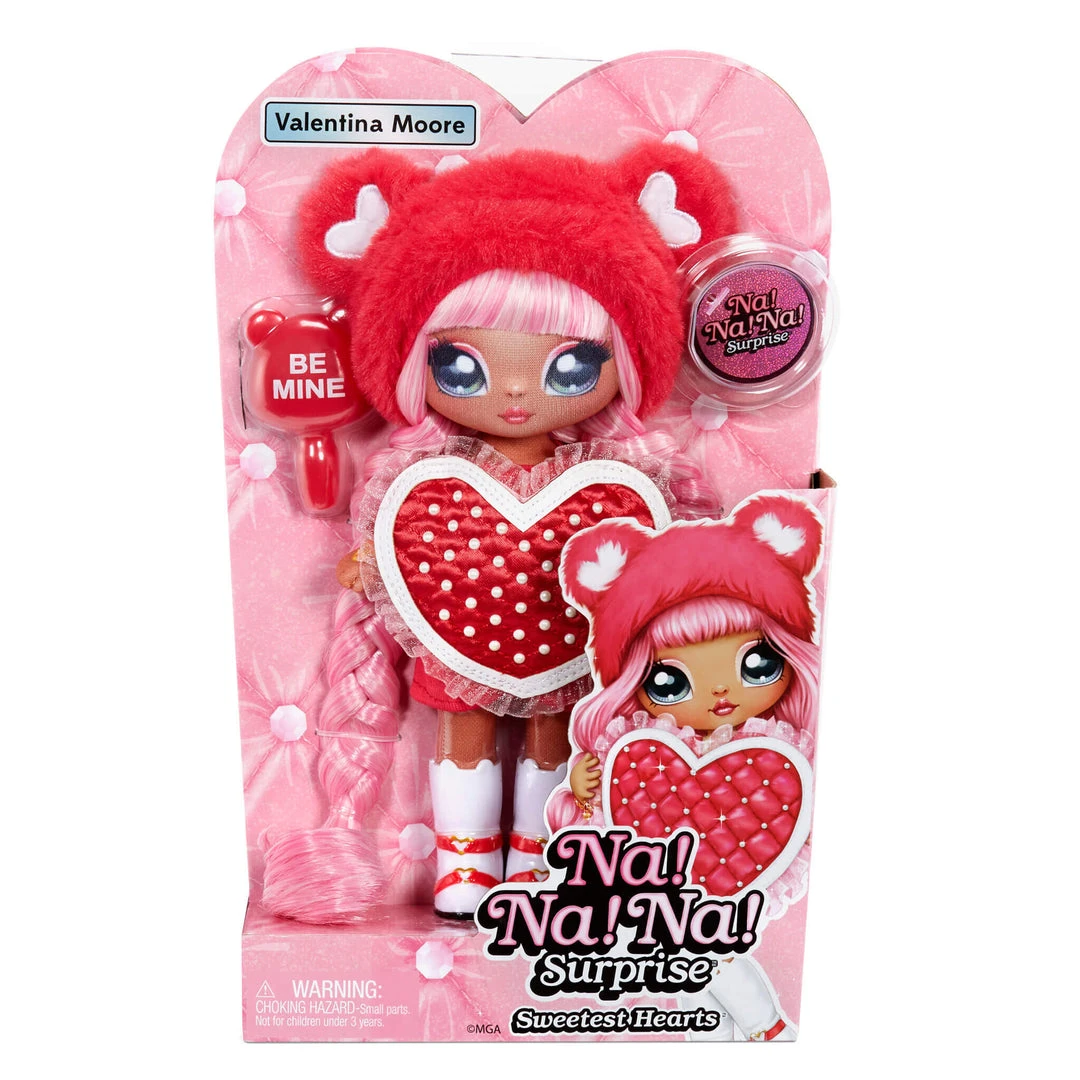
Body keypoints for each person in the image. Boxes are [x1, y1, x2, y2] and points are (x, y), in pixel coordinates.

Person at [259, 142, 738, 920]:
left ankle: (543, 856)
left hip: (562, 634)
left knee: (557, 726)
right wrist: (378, 564)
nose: (515, 392)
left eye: (571, 368)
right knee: (465, 722)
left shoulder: (616, 481)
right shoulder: (425, 483)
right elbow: (399, 542)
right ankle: (465, 862)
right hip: (458, 623)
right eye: (463, 367)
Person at [550, 493, 824, 1038]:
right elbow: (604, 815)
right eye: (669, 680)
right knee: (686, 954)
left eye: (757, 663)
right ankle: (727, 1033)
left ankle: (763, 1026)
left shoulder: (778, 754)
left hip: (730, 879)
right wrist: (583, 789)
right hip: (666, 881)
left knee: (703, 949)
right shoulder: (637, 749)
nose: (721, 692)